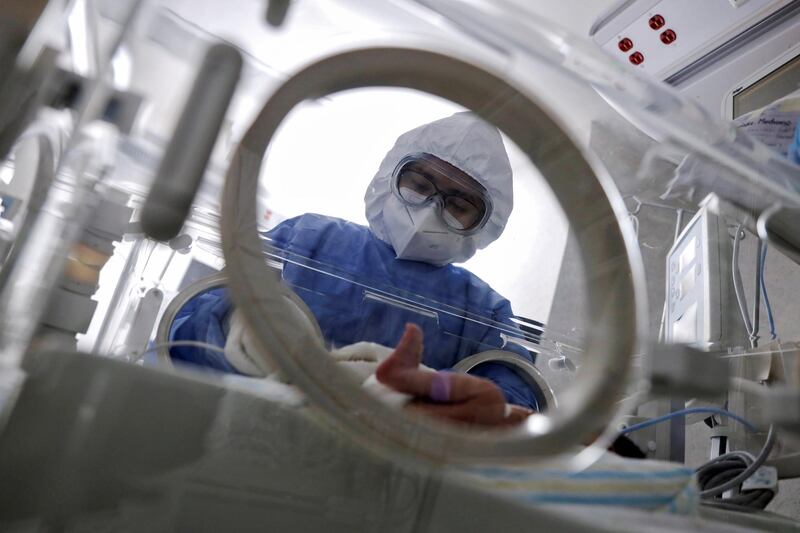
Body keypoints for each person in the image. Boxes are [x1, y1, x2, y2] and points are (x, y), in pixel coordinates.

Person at [170, 112, 539, 421]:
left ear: (485, 224)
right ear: (390, 177)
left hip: (388, 466)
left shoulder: (483, 311)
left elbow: (512, 407)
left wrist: (431, 394)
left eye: (458, 205)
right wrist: (247, 340)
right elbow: (198, 321)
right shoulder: (307, 238)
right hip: (255, 421)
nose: (430, 209)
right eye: (420, 184)